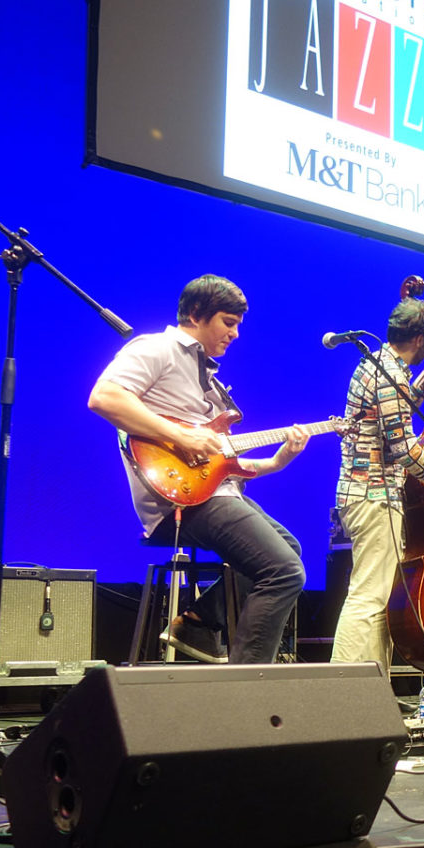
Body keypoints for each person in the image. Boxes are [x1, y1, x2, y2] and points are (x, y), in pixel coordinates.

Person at [88, 274, 308, 665]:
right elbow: (105, 398)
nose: (236, 333)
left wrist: (278, 460)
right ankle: (248, 687)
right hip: (180, 502)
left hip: (214, 493)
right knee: (284, 571)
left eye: (238, 324)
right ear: (195, 314)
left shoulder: (206, 377)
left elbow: (221, 460)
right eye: (228, 321)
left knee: (289, 550)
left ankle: (197, 623)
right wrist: (181, 436)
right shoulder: (157, 348)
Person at [329, 297, 424, 674]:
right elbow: (403, 449)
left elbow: (399, 408)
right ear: (421, 339)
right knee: (368, 598)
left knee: (376, 599)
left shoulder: (383, 368)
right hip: (373, 497)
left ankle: (370, 688)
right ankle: (342, 689)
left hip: (368, 496)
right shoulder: (390, 373)